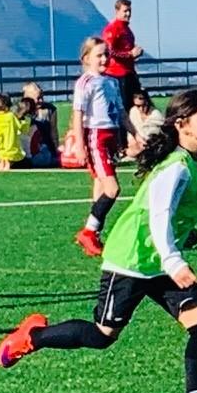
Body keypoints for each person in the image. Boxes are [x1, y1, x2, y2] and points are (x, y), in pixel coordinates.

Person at [0, 88, 197, 393]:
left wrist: (186, 234)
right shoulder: (176, 168)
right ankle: (33, 336)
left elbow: (167, 215)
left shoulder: (192, 163)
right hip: (130, 262)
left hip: (157, 263)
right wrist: (174, 260)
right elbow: (157, 216)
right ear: (183, 124)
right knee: (102, 335)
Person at [70, 36, 126, 257]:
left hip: (110, 136)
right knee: (112, 189)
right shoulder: (86, 82)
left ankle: (93, 235)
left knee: (101, 188)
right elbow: (78, 114)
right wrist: (80, 145)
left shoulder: (112, 82)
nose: (104, 59)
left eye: (106, 54)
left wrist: (132, 136)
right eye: (99, 55)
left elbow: (120, 113)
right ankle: (88, 232)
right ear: (86, 58)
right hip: (96, 137)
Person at [101, 0, 147, 110]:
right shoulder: (112, 29)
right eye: (125, 11)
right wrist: (130, 54)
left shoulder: (127, 29)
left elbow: (126, 49)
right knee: (124, 106)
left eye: (129, 11)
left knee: (137, 104)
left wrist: (136, 53)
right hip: (117, 74)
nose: (128, 14)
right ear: (117, 11)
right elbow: (109, 51)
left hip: (129, 73)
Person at [22, 80, 60, 167]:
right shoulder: (21, 111)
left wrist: (56, 150)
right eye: (38, 98)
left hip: (44, 148)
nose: (41, 100)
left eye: (42, 97)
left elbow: (53, 132)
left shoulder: (50, 109)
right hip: (26, 149)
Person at [0, 94, 26, 171]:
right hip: (10, 147)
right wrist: (23, 121)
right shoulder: (11, 116)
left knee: (1, 163)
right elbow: (19, 127)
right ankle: (7, 166)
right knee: (8, 163)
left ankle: (1, 166)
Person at [125, 89, 162, 157]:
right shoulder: (133, 112)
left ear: (147, 102)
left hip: (152, 143)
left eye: (144, 105)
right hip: (137, 143)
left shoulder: (155, 114)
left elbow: (158, 133)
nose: (141, 109)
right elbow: (131, 131)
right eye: (138, 106)